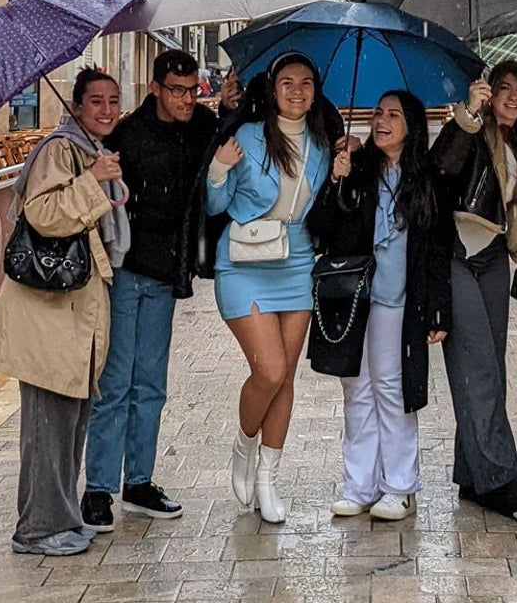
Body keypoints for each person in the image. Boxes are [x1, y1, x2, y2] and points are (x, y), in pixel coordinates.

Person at [81, 51, 232, 533]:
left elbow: (225, 152)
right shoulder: (127, 136)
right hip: (127, 270)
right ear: (155, 89)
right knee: (115, 383)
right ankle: (99, 488)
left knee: (152, 383)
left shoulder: (203, 125)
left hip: (169, 271)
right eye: (177, 90)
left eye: (192, 90)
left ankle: (139, 480)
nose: (187, 99)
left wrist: (228, 110)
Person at [0, 68, 129, 556]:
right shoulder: (60, 150)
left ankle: (60, 518)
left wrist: (102, 180)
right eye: (96, 101)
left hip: (74, 310)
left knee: (70, 420)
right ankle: (38, 528)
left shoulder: (88, 150)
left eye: (114, 100)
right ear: (76, 107)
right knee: (48, 425)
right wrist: (93, 181)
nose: (107, 110)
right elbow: (44, 215)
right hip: (49, 311)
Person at [206, 51, 340, 524]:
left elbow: (325, 211)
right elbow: (214, 203)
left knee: (286, 377)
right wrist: (219, 169)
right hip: (243, 262)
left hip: (298, 262)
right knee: (269, 370)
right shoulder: (247, 136)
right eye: (287, 82)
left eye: (306, 83)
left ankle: (268, 479)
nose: (297, 91)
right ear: (272, 88)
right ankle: (244, 445)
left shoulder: (323, 144)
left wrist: (342, 177)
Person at [308, 90, 454, 521]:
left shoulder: (426, 177)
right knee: (356, 388)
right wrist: (337, 180)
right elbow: (322, 230)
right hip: (355, 297)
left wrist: (437, 309)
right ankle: (359, 484)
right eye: (378, 113)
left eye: (393, 114)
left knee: (392, 389)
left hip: (399, 302)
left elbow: (438, 248)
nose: (382, 121)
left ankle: (399, 486)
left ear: (411, 125)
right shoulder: (357, 169)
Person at [430, 60, 517, 517]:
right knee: (477, 365)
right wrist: (468, 114)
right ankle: (501, 477)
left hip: (495, 257)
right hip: (458, 252)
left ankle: (472, 475)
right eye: (504, 87)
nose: (514, 96)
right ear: (489, 91)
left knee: (490, 369)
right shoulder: (471, 128)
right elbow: (441, 168)